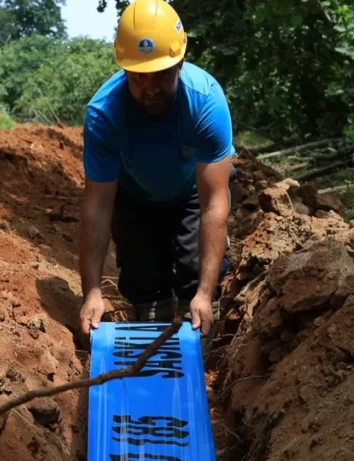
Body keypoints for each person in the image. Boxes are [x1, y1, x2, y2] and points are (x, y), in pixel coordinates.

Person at [77, 0, 234, 339]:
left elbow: (214, 204)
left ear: (179, 63)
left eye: (161, 75)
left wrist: (205, 295)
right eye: (139, 77)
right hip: (135, 197)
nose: (150, 89)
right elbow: (98, 206)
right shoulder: (104, 114)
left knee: (198, 274)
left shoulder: (206, 103)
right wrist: (91, 292)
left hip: (193, 191)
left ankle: (203, 346)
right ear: (125, 71)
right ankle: (150, 339)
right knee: (144, 284)